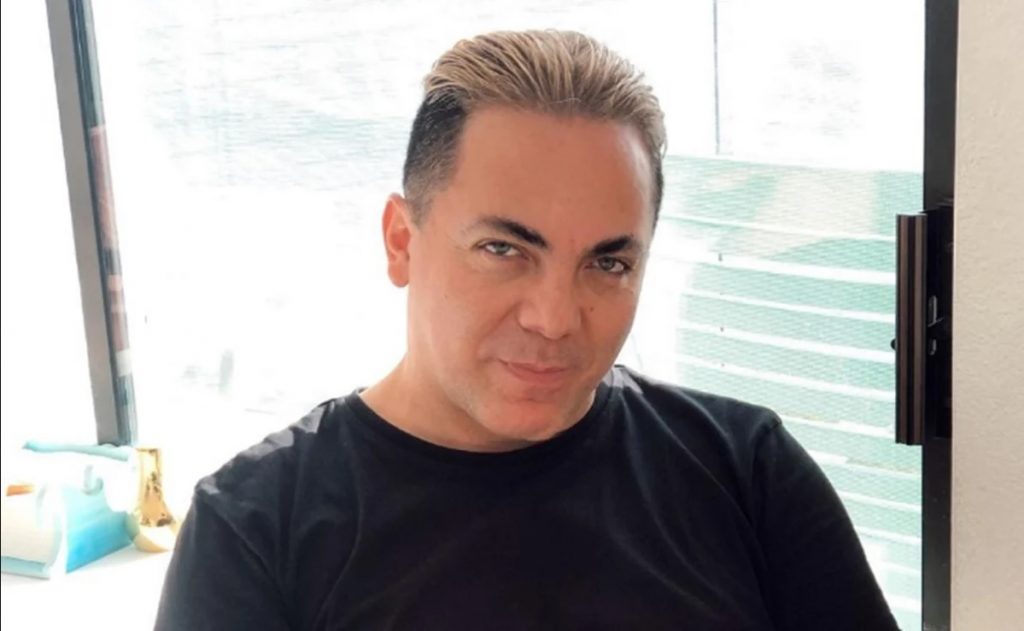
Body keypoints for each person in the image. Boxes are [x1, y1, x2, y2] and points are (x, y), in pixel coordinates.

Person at [155, 30, 899, 630]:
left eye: (607, 263)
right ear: (402, 241)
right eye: (504, 250)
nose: (554, 319)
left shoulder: (745, 471)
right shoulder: (256, 531)